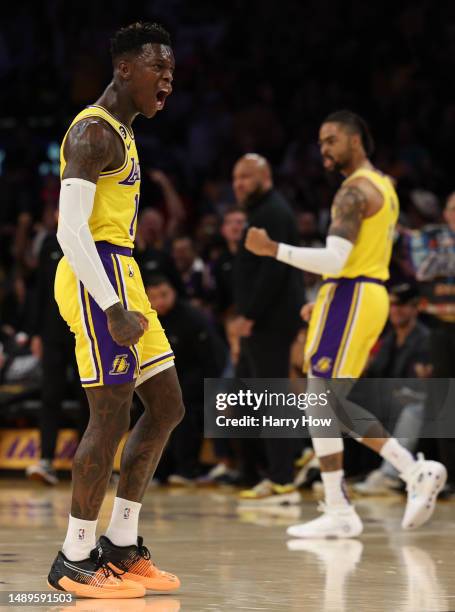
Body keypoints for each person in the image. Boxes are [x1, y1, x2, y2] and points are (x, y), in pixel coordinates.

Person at [245, 110, 446, 537]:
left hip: (352, 294)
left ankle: (410, 473)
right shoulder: (384, 188)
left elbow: (336, 259)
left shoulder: (353, 192)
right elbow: (354, 260)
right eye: (320, 142)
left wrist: (272, 248)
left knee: (324, 401)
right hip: (353, 294)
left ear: (356, 141)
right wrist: (322, 301)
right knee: (323, 402)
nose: (324, 149)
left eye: (331, 140)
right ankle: (340, 506)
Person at [48, 23, 184, 598]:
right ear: (125, 69)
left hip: (122, 273)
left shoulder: (126, 135)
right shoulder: (93, 133)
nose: (168, 83)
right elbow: (69, 229)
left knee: (168, 406)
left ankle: (121, 545)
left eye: (172, 74)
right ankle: (74, 556)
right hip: (93, 275)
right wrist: (111, 305)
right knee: (110, 416)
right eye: (159, 70)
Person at [232, 153, 305, 502]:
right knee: (257, 398)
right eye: (236, 178)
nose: (239, 184)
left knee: (271, 399)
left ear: (266, 177)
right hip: (265, 321)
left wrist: (251, 314)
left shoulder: (272, 212)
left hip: (270, 322)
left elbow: (272, 272)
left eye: (246, 177)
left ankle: (283, 479)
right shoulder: (263, 212)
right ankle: (281, 467)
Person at [145, 274, 226, 484]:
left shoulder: (192, 317)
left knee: (184, 410)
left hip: (204, 378)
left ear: (173, 293)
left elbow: (212, 360)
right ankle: (158, 471)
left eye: (164, 295)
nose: (159, 301)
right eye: (153, 297)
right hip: (169, 379)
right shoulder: (148, 319)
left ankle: (186, 469)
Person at [26, 228, 89, 486]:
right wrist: (35, 333)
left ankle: (88, 465)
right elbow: (40, 290)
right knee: (50, 395)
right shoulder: (50, 243)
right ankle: (46, 460)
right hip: (52, 334)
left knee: (88, 396)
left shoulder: (90, 237)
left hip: (84, 331)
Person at [354, 283, 430, 494]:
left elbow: (422, 385)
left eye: (402, 305)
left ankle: (390, 476)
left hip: (417, 402)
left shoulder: (426, 339)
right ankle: (342, 470)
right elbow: (375, 375)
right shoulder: (388, 339)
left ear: (415, 308)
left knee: (412, 410)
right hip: (389, 400)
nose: (396, 310)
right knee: (344, 402)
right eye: (393, 305)